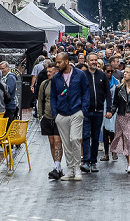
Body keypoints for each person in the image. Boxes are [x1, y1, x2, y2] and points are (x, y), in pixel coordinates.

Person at [51, 51, 90, 181]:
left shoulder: (80, 75)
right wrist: (55, 114)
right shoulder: (56, 77)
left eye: (59, 62)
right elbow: (53, 97)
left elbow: (86, 92)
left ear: (66, 61)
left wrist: (83, 110)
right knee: (66, 143)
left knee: (75, 139)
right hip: (61, 114)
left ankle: (77, 168)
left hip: (76, 112)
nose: (57, 65)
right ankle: (70, 169)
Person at [81, 53, 113, 173]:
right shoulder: (83, 75)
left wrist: (109, 109)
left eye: (96, 60)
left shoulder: (102, 76)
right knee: (85, 136)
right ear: (87, 61)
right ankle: (86, 161)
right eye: (92, 60)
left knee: (95, 137)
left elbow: (107, 94)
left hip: (99, 111)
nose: (94, 62)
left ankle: (93, 162)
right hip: (86, 112)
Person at [37, 60, 64, 180]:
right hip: (47, 117)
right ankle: (57, 166)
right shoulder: (44, 84)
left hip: (60, 117)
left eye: (50, 71)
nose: (47, 73)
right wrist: (40, 114)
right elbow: (40, 99)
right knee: (52, 142)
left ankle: (57, 166)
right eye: (47, 71)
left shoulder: (63, 83)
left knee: (58, 141)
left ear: (56, 72)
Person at [100, 64, 119, 162]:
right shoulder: (100, 81)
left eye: (111, 71)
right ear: (104, 71)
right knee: (104, 131)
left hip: (113, 109)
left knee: (112, 131)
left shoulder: (116, 82)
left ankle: (114, 151)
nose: (110, 73)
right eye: (108, 71)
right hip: (102, 108)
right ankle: (106, 154)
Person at [0, 61, 18, 125]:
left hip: (9, 105)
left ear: (7, 68)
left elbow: (8, 90)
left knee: (8, 125)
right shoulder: (4, 77)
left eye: (3, 68)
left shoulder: (10, 77)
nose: (1, 71)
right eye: (0, 69)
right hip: (7, 105)